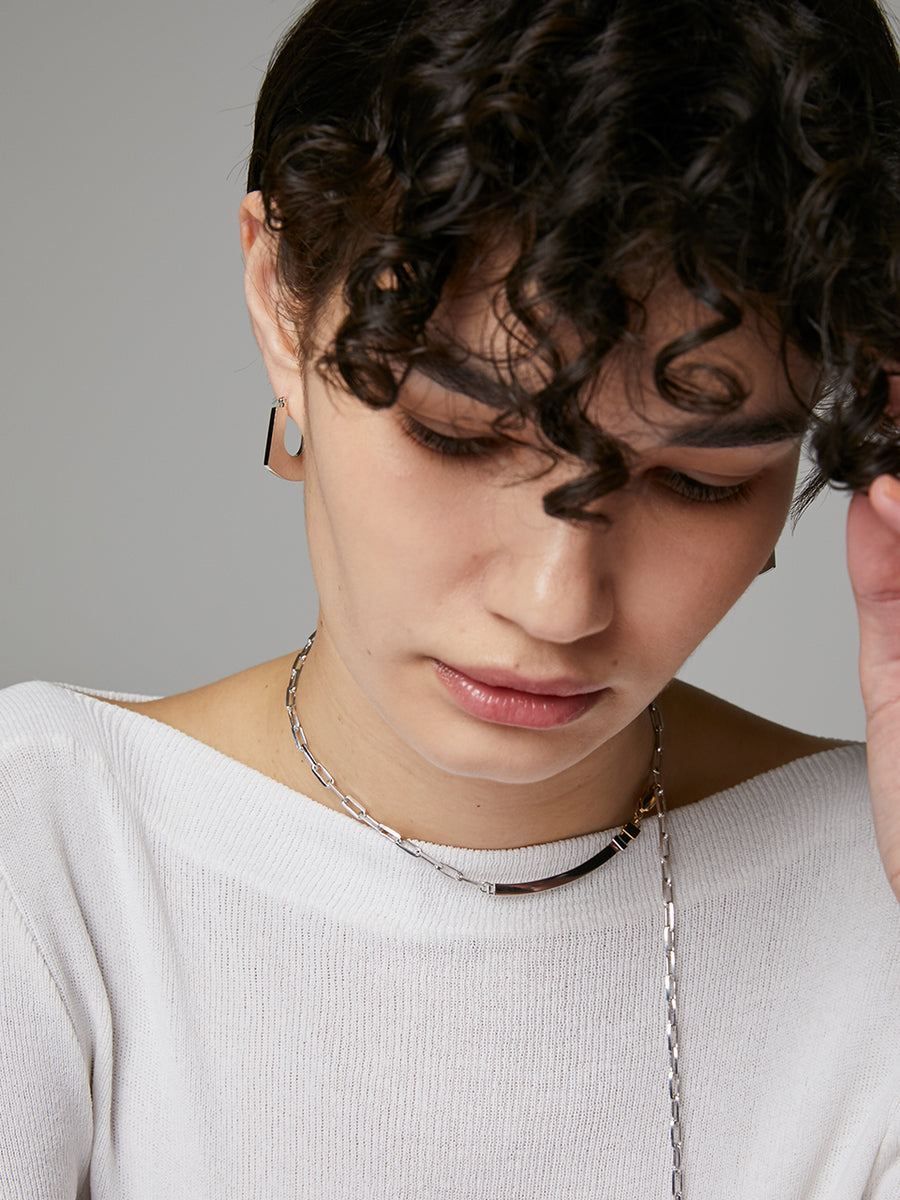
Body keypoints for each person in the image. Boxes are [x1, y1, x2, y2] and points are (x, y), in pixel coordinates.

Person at [3, 0, 900, 1196]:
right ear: (280, 298)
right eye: (460, 434)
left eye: (695, 480)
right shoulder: (51, 847)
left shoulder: (878, 883)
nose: (556, 601)